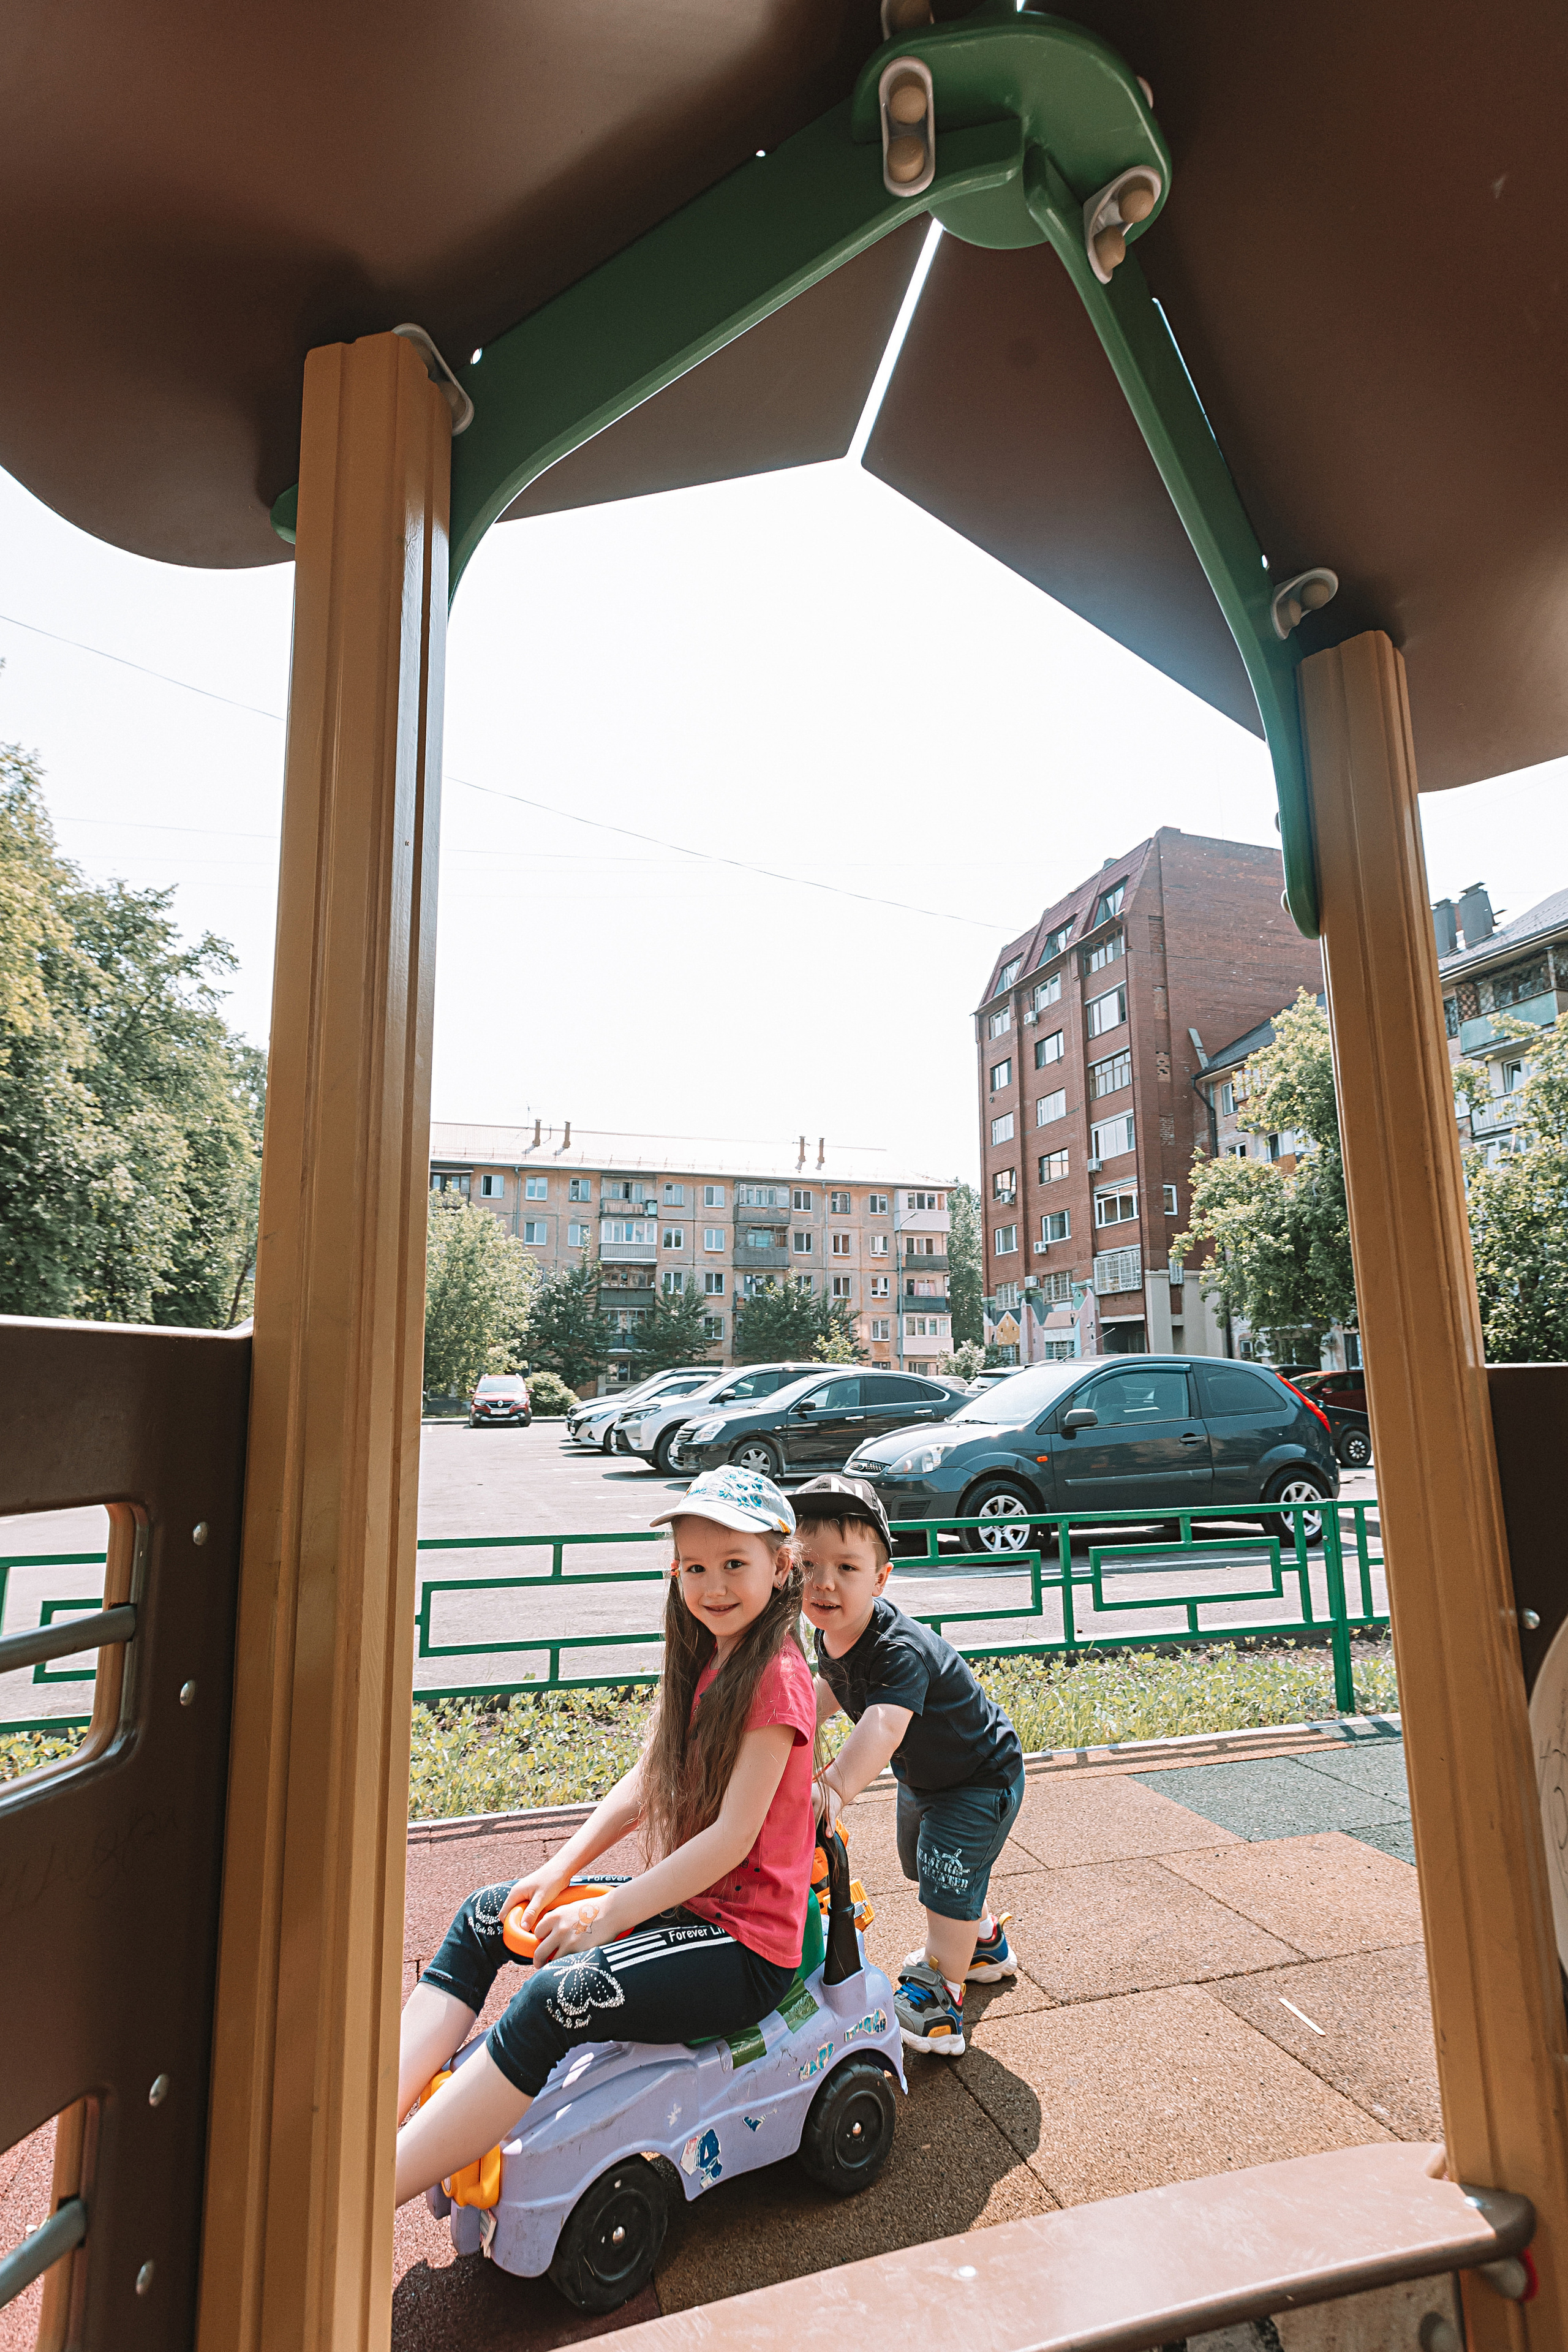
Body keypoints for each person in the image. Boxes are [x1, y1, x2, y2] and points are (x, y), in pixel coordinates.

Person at [392, 1465, 818, 2206]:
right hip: (694, 1913)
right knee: (488, 1914)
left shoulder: (777, 1677)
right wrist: (559, 1870)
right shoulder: (707, 1653)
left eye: (733, 1565)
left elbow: (728, 1840)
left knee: (562, 1995)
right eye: (694, 1567)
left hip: (745, 1950)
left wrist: (605, 1916)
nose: (712, 1586)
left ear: (781, 1568)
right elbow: (648, 1780)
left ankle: (369, 2194)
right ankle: (374, 2121)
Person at [796, 1472, 1025, 2059]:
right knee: (924, 1867)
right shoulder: (832, 1636)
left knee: (944, 1878)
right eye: (809, 1565)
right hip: (927, 1776)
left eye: (847, 1568)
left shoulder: (900, 1651)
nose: (825, 1583)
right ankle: (984, 1943)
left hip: (979, 1778)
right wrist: (790, 1730)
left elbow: (882, 1724)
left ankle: (941, 1993)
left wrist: (837, 1786)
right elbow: (832, 1691)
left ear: (880, 1577)